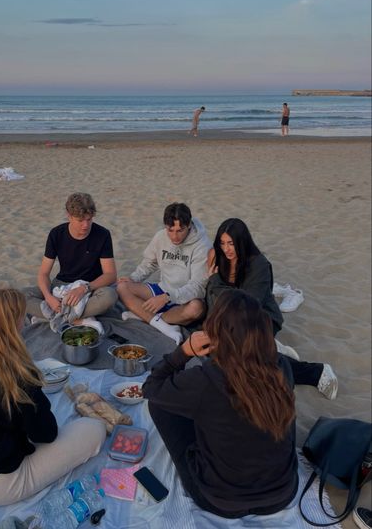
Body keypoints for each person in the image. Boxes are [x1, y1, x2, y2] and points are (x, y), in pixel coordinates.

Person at [143, 289, 299, 518]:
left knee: (160, 404)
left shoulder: (206, 379)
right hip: (282, 492)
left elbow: (151, 388)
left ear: (216, 331)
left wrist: (184, 352)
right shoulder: (281, 366)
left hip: (219, 500)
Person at [0, 289, 105, 506]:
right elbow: (46, 434)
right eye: (22, 317)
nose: (25, 321)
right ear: (14, 325)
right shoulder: (15, 373)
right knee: (93, 429)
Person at [205, 218, 338, 399]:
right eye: (222, 243)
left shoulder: (259, 265)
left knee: (248, 359)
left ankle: (317, 372)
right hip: (230, 321)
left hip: (260, 319)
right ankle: (272, 350)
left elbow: (245, 306)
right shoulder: (220, 259)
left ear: (242, 242)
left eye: (231, 243)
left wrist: (215, 282)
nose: (226, 249)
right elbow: (212, 297)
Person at [116, 202, 210, 344]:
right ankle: (160, 322)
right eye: (170, 230)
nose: (174, 237)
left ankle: (145, 317)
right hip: (162, 289)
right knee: (122, 287)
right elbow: (150, 263)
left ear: (189, 225)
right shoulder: (160, 237)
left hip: (186, 299)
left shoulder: (202, 246)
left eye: (180, 230)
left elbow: (198, 287)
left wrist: (168, 297)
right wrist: (132, 278)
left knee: (196, 309)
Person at [25, 192, 117, 321]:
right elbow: (43, 273)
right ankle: (71, 315)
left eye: (89, 219)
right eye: (80, 220)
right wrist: (48, 297)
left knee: (110, 296)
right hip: (61, 285)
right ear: (69, 216)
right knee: (20, 296)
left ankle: (58, 315)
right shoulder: (56, 234)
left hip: (90, 287)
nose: (85, 225)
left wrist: (84, 289)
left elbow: (110, 274)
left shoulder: (102, 234)